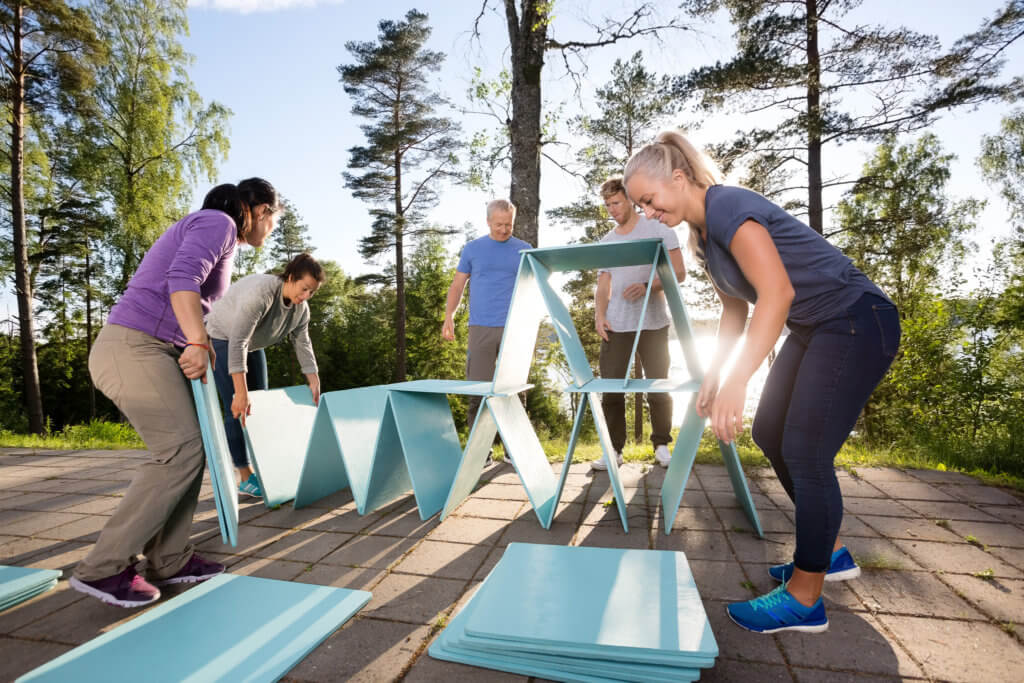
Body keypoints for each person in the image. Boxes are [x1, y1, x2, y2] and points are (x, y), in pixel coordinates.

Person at [624, 131, 900, 634]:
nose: (647, 212)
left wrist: (739, 382)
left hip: (857, 319)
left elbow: (776, 292)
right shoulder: (703, 237)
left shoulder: (728, 206)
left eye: (650, 199)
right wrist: (714, 374)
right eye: (640, 204)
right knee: (770, 433)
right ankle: (828, 554)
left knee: (805, 451)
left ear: (679, 179)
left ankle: (805, 597)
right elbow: (736, 310)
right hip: (816, 326)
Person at [70, 179, 280, 608]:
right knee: (180, 448)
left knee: (192, 448)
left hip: (154, 349)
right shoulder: (218, 222)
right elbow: (181, 279)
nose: (274, 226)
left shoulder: (221, 233)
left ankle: (169, 559)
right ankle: (103, 567)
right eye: (276, 217)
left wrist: (193, 345)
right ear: (259, 210)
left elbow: (188, 297)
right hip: (133, 345)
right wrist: (199, 343)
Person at [205, 253, 325, 497]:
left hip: (252, 344)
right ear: (290, 277)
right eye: (304, 289)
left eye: (311, 292)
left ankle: (264, 467)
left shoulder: (301, 309)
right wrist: (241, 392)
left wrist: (314, 380)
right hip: (223, 336)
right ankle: (245, 476)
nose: (306, 297)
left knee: (260, 405)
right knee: (237, 406)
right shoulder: (261, 294)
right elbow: (237, 342)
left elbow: (303, 342)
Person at [592, 177, 686, 471]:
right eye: (607, 205)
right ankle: (614, 451)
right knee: (611, 389)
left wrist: (648, 286)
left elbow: (679, 273)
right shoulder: (607, 242)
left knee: (658, 386)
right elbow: (603, 283)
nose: (612, 209)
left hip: (653, 323)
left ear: (630, 200)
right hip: (617, 326)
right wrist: (599, 315)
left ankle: (661, 445)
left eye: (616, 202)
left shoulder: (659, 230)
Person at [442, 199, 531, 431]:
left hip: (514, 328)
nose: (503, 230)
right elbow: (457, 285)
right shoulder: (473, 249)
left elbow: (534, 287)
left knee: (514, 392)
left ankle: (515, 451)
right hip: (480, 327)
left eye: (508, 225)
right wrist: (449, 316)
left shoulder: (524, 250)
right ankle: (481, 452)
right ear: (488, 221)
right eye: (499, 224)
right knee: (478, 392)